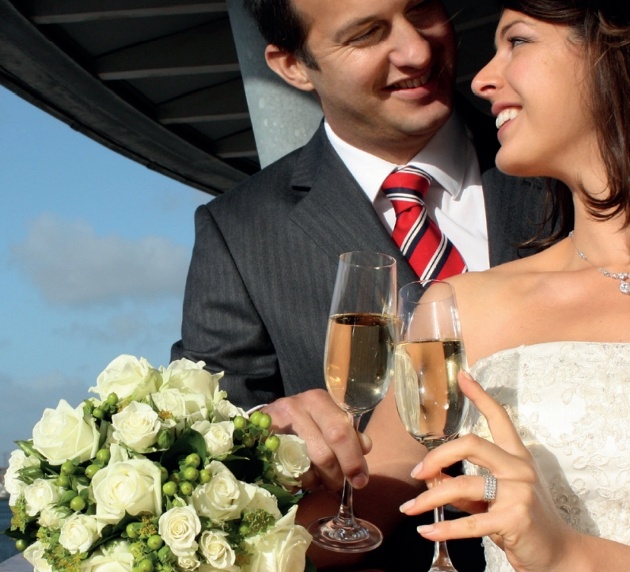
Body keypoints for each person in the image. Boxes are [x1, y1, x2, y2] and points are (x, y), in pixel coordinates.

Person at [170, 0, 556, 568]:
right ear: (292, 66)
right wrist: (269, 430)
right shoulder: (240, 230)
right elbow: (205, 441)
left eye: (423, 9)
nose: (418, 51)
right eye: (368, 34)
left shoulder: (562, 164)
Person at [364, 0, 630, 569]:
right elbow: (347, 517)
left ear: (613, 50)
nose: (482, 79)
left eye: (518, 41)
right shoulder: (460, 309)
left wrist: (569, 555)